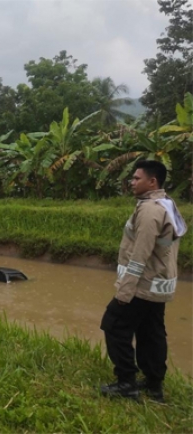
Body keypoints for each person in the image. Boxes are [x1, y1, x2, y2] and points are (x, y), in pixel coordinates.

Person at [100, 160, 187, 402]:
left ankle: (126, 381)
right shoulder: (166, 204)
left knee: (114, 325)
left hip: (143, 284)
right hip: (160, 284)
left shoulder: (149, 210)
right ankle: (153, 384)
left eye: (137, 178)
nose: (132, 182)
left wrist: (125, 290)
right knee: (151, 332)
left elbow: (140, 254)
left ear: (153, 181)